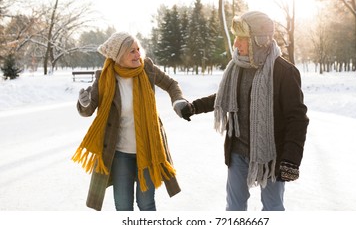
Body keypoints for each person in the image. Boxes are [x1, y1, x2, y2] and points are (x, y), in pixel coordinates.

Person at [180, 11, 309, 211]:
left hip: (271, 155)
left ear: (260, 40)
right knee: (234, 208)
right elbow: (224, 96)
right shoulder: (237, 67)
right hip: (238, 152)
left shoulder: (284, 72)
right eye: (236, 38)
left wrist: (291, 159)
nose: (236, 44)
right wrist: (193, 107)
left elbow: (297, 119)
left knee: (273, 207)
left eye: (242, 38)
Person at [72, 32, 190, 211]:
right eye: (131, 51)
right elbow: (88, 110)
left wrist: (178, 101)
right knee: (123, 206)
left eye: (138, 49)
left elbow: (172, 85)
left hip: (149, 149)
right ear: (119, 56)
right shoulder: (104, 78)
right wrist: (84, 103)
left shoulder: (147, 69)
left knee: (146, 204)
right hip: (120, 154)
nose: (137, 55)